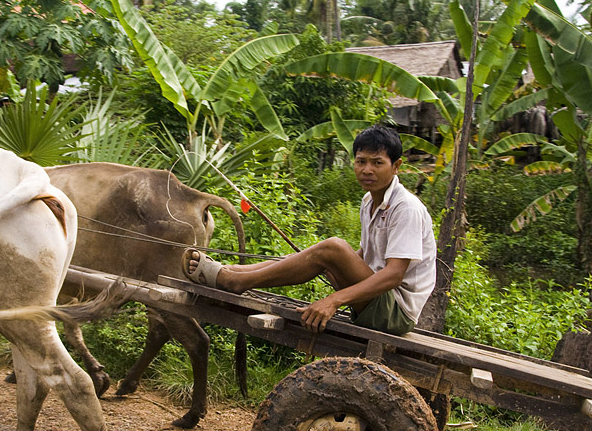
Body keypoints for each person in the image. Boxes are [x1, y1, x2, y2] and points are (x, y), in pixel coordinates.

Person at [182, 124, 436, 335]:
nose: (367, 169)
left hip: (395, 313)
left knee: (332, 248)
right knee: (323, 253)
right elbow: (364, 257)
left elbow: (393, 275)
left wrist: (332, 301)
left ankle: (237, 281)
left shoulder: (406, 208)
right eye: (361, 161)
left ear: (396, 166)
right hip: (375, 302)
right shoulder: (370, 200)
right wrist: (311, 258)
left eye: (377, 163)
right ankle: (236, 271)